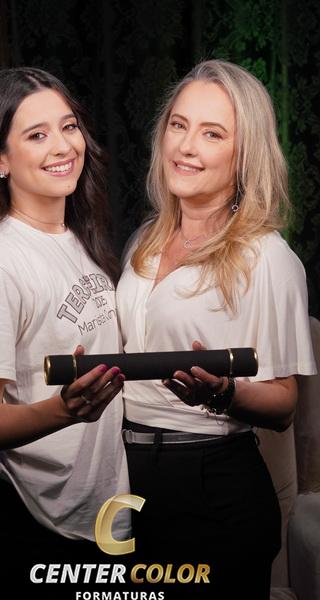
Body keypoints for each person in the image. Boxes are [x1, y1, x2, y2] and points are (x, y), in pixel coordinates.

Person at [116, 59, 316, 599]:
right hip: (128, 477)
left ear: (244, 153)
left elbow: (284, 404)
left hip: (212, 486)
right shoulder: (144, 241)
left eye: (212, 133)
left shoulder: (268, 259)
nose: (186, 146)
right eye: (178, 125)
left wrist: (223, 393)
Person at [0, 67, 130, 588]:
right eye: (36, 135)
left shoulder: (81, 238)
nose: (62, 146)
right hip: (35, 522)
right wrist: (63, 409)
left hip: (103, 513)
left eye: (68, 127)